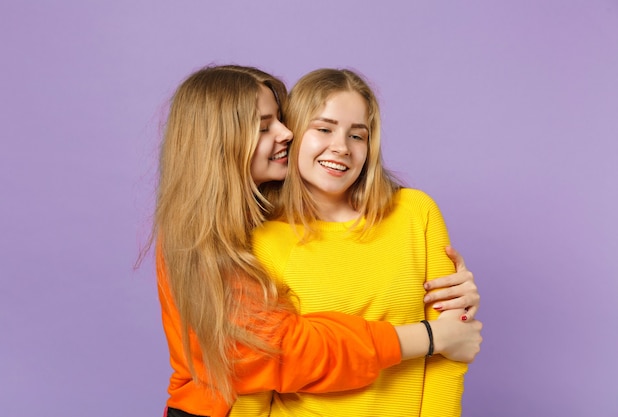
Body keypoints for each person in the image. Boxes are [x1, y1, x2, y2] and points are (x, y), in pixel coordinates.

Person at [152, 65, 482, 417]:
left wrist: (454, 312)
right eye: (264, 126)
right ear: (220, 142)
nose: (285, 132)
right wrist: (432, 337)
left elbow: (451, 344)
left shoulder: (416, 212)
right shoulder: (214, 238)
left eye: (281, 119)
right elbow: (279, 353)